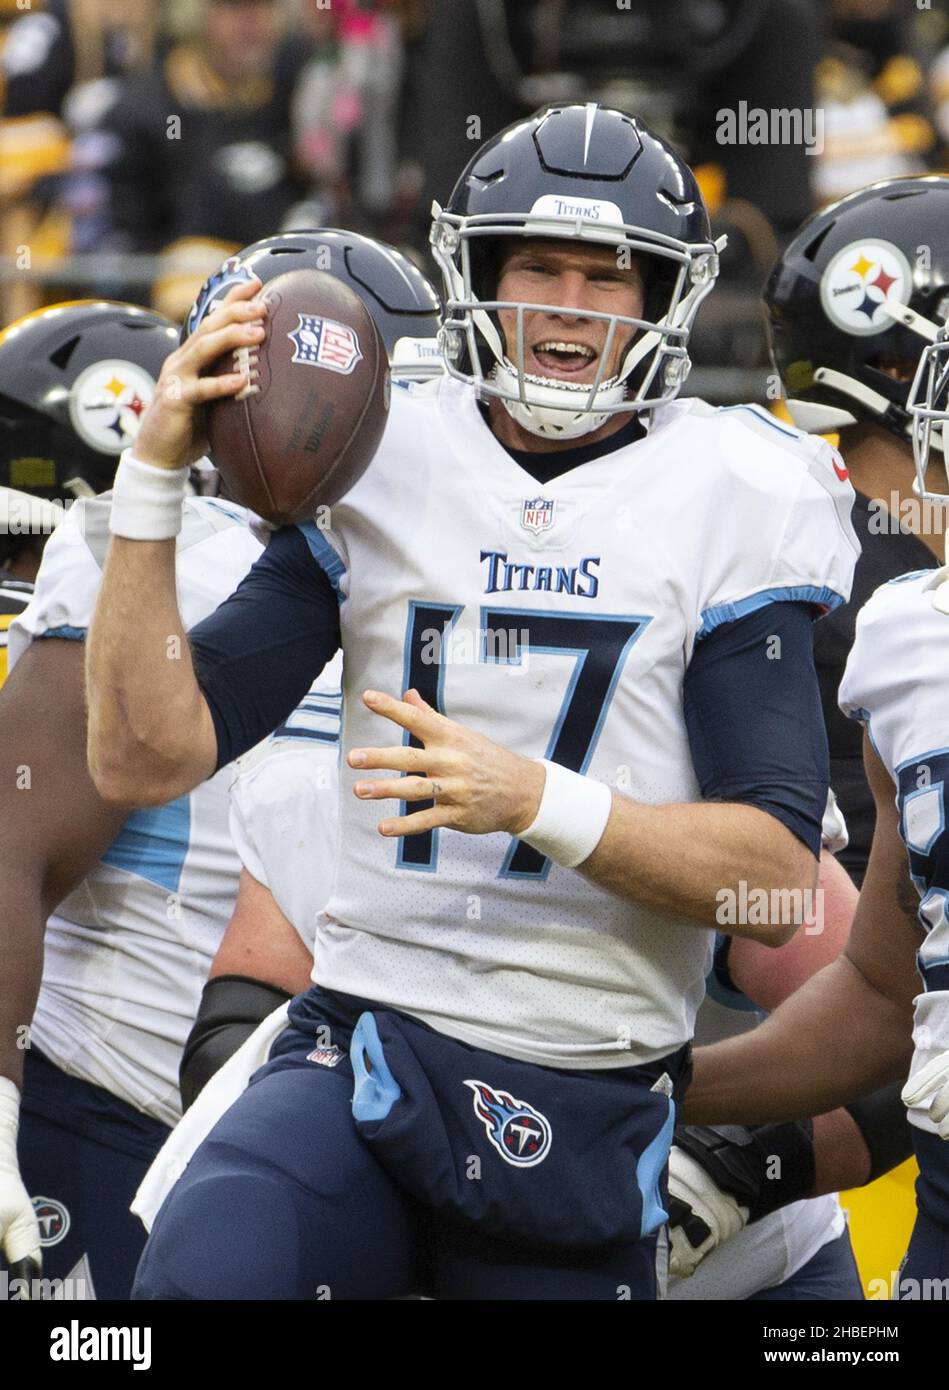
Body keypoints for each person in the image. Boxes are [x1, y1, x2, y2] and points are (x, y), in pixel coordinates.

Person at [87, 103, 858, 1301]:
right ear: (475, 273)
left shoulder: (733, 489)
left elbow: (767, 876)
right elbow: (146, 754)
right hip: (365, 1034)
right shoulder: (389, 456)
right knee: (205, 1276)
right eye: (536, 267)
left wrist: (530, 797)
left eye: (606, 276)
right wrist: (147, 482)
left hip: (587, 1083)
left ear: (662, 296)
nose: (565, 303)